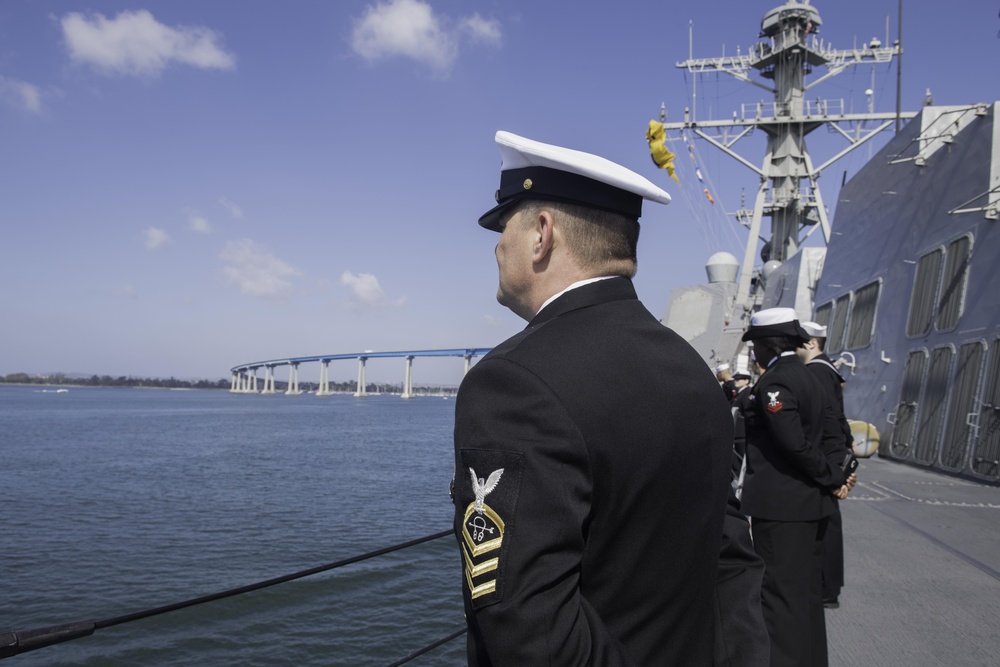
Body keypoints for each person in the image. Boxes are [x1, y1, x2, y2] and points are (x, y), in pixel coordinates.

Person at [451, 131, 740, 665]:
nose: (496, 245)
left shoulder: (514, 382)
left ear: (542, 234)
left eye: (504, 225)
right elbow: (731, 561)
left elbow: (530, 632)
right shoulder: (693, 372)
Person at [738, 308, 850, 667]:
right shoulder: (815, 376)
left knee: (779, 595)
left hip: (782, 507)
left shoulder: (775, 382)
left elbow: (793, 444)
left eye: (756, 346)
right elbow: (834, 433)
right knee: (805, 596)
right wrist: (835, 476)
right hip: (813, 504)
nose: (755, 353)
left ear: (767, 345)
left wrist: (831, 477)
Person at [797, 321, 854, 609]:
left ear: (811, 343)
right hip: (832, 454)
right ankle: (828, 587)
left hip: (825, 456)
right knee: (828, 522)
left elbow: (826, 418)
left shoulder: (817, 372)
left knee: (825, 524)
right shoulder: (825, 370)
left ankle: (826, 588)